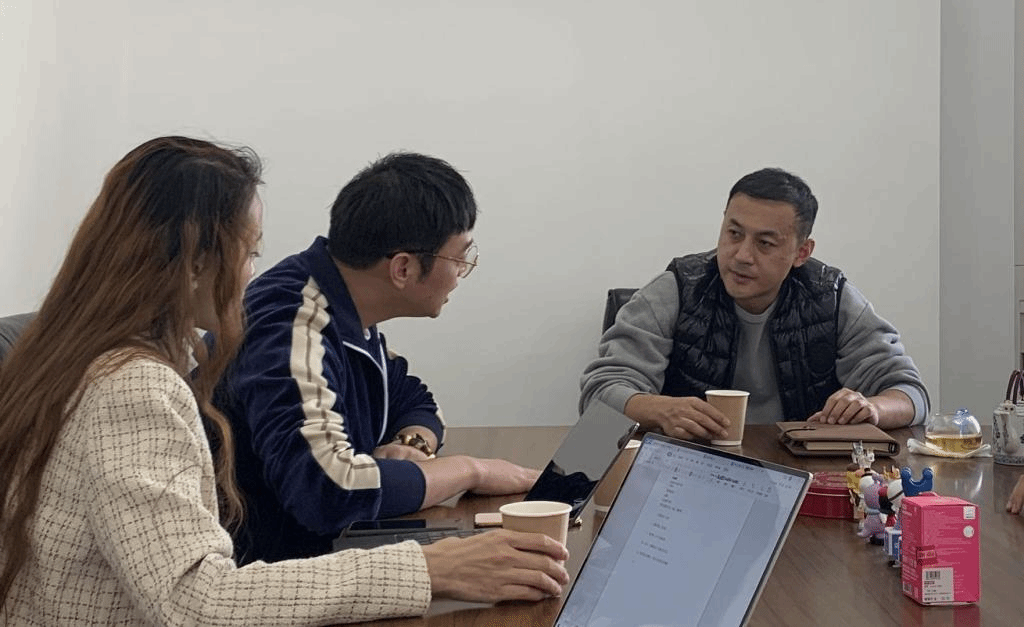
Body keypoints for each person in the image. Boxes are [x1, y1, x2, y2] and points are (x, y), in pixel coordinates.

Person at [0, 137, 568, 625]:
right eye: (249, 251)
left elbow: (408, 394)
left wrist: (415, 451)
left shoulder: (88, 353)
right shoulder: (133, 387)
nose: (252, 273)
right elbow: (195, 601)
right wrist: (431, 566)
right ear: (196, 262)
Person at [219, 151, 541, 564]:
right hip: (263, 574)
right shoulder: (293, 323)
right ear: (403, 268)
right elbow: (327, 490)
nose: (462, 272)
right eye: (459, 257)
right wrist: (469, 471)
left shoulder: (344, 309)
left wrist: (412, 445)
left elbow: (414, 399)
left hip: (316, 558)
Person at [579, 167, 930, 441]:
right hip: (687, 468)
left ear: (802, 252)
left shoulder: (832, 297)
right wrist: (659, 410)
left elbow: (911, 394)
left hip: (802, 475)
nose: (742, 256)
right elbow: (599, 393)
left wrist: (872, 408)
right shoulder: (676, 289)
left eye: (765, 243)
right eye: (734, 234)